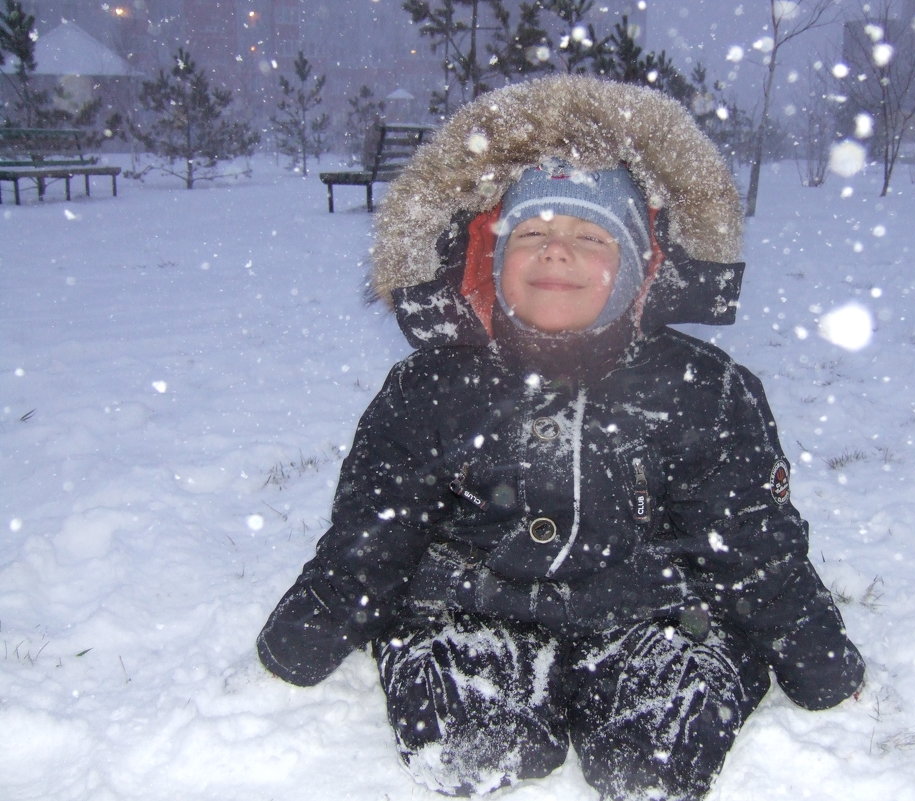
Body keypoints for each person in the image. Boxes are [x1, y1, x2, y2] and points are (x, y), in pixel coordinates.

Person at [257, 75, 864, 801]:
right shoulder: (431, 387)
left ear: (640, 269)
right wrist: (302, 640)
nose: (556, 252)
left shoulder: (703, 388)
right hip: (477, 604)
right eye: (534, 234)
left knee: (653, 768)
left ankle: (667, 688)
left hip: (651, 609)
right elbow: (375, 530)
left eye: (590, 236)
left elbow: (752, 543)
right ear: (491, 258)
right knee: (471, 752)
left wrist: (821, 664)